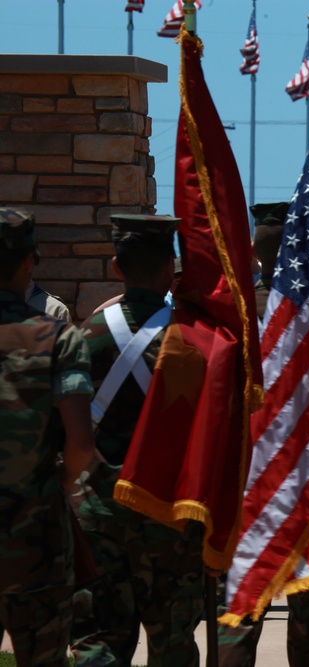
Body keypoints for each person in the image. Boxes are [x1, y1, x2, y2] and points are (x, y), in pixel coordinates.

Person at [70, 214, 208, 666]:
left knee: (100, 638)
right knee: (173, 642)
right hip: (171, 512)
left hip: (100, 510)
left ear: (115, 266)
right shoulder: (195, 339)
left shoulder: (81, 337)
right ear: (172, 270)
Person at [215, 200, 309, 667]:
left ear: (255, 247)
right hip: (307, 478)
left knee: (241, 603)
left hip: (246, 479)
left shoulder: (231, 311)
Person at [0, 207, 102, 666]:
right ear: (30, 260)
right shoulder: (57, 337)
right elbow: (80, 444)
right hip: (36, 538)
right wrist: (61, 482)